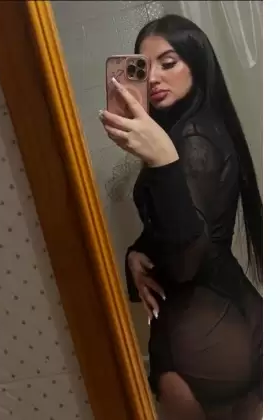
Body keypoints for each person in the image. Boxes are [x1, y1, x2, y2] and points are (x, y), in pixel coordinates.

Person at [99, 14, 262, 420]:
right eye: (144, 66)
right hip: (229, 319)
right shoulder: (190, 131)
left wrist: (164, 163)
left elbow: (187, 258)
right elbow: (179, 225)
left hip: (206, 330)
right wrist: (136, 254)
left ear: (196, 64)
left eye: (168, 62)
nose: (153, 77)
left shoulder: (192, 139)